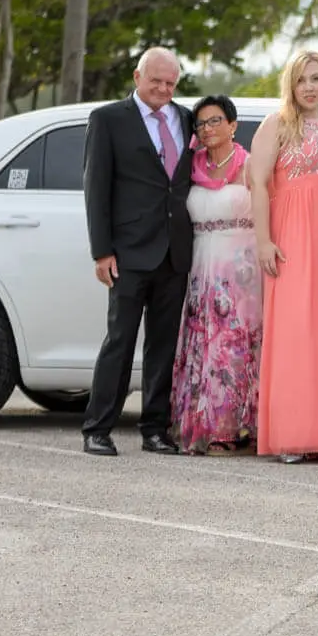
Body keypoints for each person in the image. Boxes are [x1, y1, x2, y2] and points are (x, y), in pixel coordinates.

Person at [80, 47, 194, 457]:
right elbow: (96, 189)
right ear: (136, 76)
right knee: (120, 341)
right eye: (156, 81)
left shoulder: (185, 118)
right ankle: (97, 427)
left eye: (170, 83)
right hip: (127, 253)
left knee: (164, 345)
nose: (163, 89)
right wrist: (102, 251)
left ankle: (154, 429)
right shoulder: (108, 119)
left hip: (175, 252)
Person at [250, 51, 318, 464]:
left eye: (317, 77)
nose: (310, 86)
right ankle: (292, 434)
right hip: (289, 237)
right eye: (303, 79)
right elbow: (257, 183)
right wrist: (263, 240)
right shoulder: (277, 125)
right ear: (291, 84)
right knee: (293, 331)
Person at [169, 95, 264, 455]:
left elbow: (269, 214)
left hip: (241, 273)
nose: (207, 129)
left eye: (215, 121)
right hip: (201, 270)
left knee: (236, 348)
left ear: (233, 125)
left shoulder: (250, 166)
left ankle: (243, 426)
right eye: (201, 123)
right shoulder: (188, 167)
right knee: (205, 346)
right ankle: (211, 426)